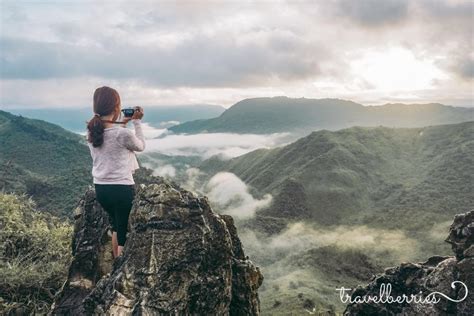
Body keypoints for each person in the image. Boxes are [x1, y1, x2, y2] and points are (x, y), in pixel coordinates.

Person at [86, 86, 145, 258]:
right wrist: (137, 122)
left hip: (101, 189)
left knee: (116, 227)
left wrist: (123, 121)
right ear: (116, 108)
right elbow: (140, 145)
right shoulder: (123, 134)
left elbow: (110, 132)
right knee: (124, 235)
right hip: (121, 189)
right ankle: (120, 272)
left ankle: (115, 269)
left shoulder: (91, 132)